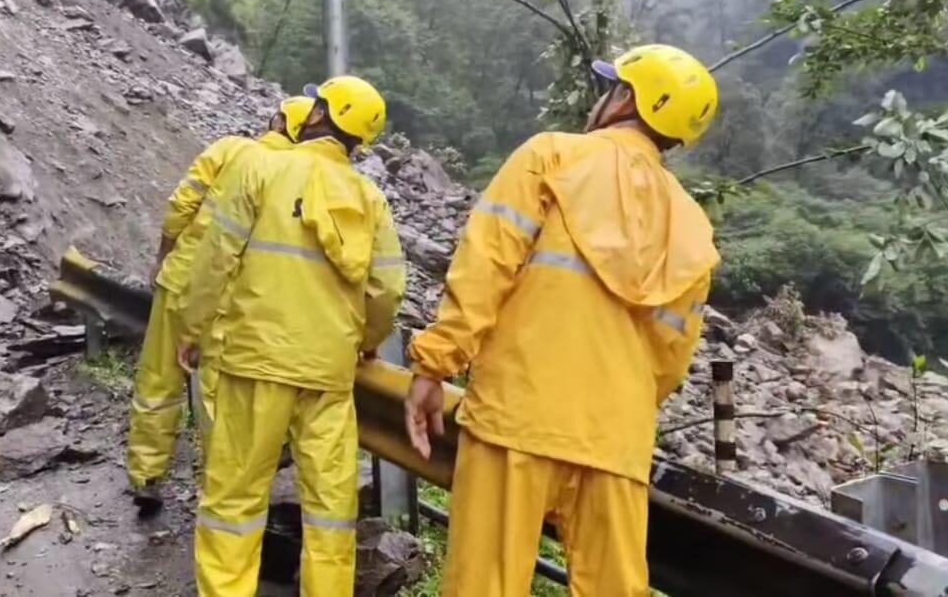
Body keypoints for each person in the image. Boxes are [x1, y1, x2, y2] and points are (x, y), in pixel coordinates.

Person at [404, 44, 721, 597]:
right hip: (616, 441)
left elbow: (485, 269)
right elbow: (671, 358)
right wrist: (617, 414)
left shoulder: (551, 156)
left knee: (484, 585)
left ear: (626, 98)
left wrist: (435, 367)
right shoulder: (692, 226)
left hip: (517, 417)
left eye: (613, 88)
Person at [176, 75, 407, 597]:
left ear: (323, 115)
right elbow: (388, 288)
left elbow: (215, 260)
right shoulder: (369, 198)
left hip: (253, 361)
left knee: (234, 498)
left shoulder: (261, 168)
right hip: (327, 372)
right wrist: (367, 339)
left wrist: (193, 328)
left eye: (318, 105)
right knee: (330, 511)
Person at [126, 96, 314, 517]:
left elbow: (181, 205)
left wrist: (164, 253)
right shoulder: (298, 177)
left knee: (159, 381)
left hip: (181, 283)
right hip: (235, 302)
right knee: (218, 397)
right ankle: (217, 485)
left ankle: (148, 476)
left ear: (278, 121)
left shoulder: (231, 149)